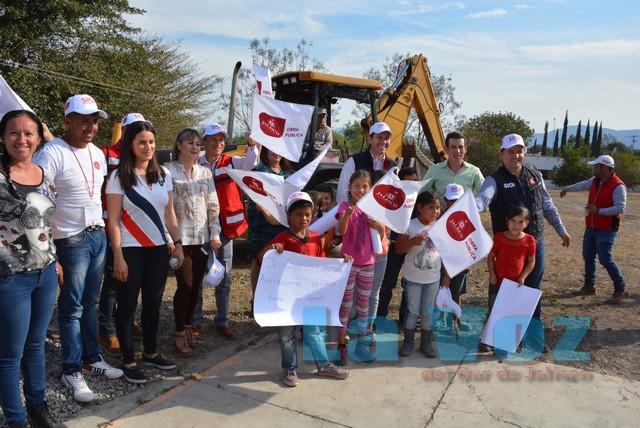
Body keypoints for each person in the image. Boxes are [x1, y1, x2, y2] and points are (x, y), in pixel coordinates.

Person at [33, 94, 123, 403]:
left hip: (96, 236)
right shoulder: (51, 153)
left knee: (89, 302)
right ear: (67, 121)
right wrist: (48, 251)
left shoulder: (97, 153)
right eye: (84, 120)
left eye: (95, 120)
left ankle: (91, 358)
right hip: (69, 240)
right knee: (71, 308)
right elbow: (38, 202)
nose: (91, 126)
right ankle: (71, 370)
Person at [475, 133, 570, 353]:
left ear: (524, 153)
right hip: (507, 248)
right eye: (511, 151)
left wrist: (561, 230)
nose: (516, 155)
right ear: (502, 154)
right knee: (504, 292)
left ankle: (531, 339)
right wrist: (469, 206)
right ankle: (492, 338)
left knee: (531, 292)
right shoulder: (494, 179)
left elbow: (547, 205)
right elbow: (483, 199)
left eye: (519, 151)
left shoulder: (535, 175)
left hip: (534, 244)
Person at [106, 120, 184, 384]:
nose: (148, 147)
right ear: (130, 144)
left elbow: (169, 214)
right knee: (127, 306)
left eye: (151, 142)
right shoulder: (118, 177)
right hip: (130, 250)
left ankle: (150, 352)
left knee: (152, 304)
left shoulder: (164, 174)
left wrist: (178, 242)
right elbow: (113, 220)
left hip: (159, 250)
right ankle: (129, 360)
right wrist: (117, 256)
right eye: (141, 142)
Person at [0, 110, 59, 427]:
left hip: (45, 274)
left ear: (38, 138)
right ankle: (16, 417)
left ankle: (37, 406)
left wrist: (56, 259)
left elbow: (48, 223)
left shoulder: (45, 174)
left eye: (28, 133)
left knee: (36, 345)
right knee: (10, 353)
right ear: (3, 137)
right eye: (13, 132)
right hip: (10, 278)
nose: (21, 139)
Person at [257, 192, 351, 387]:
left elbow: (320, 264)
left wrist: (340, 261)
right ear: (289, 215)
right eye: (299, 214)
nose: (304, 219)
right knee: (286, 334)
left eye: (308, 214)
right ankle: (289, 368)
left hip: (310, 297)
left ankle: (324, 365)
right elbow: (261, 259)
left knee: (315, 331)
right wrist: (270, 251)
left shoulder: (315, 238)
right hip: (286, 299)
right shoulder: (282, 239)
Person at [195, 123, 260, 339]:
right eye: (213, 139)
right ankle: (195, 321)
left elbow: (250, 163)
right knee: (197, 275)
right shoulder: (195, 163)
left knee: (224, 275)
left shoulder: (231, 162)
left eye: (221, 139)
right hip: (200, 226)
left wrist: (252, 143)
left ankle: (221, 321)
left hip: (225, 229)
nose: (218, 143)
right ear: (204, 142)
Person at [166, 128, 220, 357]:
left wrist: (215, 234)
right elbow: (164, 209)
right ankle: (178, 331)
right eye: (190, 142)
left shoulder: (205, 173)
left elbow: (213, 206)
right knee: (185, 284)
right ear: (178, 145)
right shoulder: (166, 172)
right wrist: (170, 240)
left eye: (198, 143)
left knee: (196, 285)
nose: (195, 147)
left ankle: (188, 325)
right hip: (180, 239)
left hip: (202, 239)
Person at [98, 112, 147, 356]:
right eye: (132, 131)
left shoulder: (141, 157)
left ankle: (124, 320)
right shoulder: (106, 153)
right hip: (111, 225)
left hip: (135, 231)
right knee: (112, 279)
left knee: (131, 279)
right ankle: (106, 330)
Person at [560, 155, 629, 304]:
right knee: (588, 256)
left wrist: (599, 211)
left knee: (605, 259)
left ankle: (621, 288)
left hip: (607, 229)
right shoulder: (595, 181)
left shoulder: (618, 186)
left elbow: (620, 207)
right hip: (591, 227)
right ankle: (589, 286)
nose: (594, 168)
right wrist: (567, 189)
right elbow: (582, 185)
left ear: (604, 168)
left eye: (596, 166)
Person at [336, 170, 384, 365]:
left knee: (363, 305)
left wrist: (379, 227)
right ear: (349, 187)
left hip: (368, 264)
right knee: (346, 305)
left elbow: (380, 238)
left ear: (370, 188)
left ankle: (362, 345)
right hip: (348, 264)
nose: (361, 190)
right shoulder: (344, 206)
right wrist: (346, 216)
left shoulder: (373, 209)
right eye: (357, 186)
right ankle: (341, 345)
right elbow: (341, 231)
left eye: (365, 186)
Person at [395, 190, 442, 358]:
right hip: (412, 278)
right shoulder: (410, 225)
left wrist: (450, 274)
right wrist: (412, 241)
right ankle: (408, 342)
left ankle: (426, 343)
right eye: (431, 208)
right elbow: (398, 249)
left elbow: (448, 252)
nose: (435, 212)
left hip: (433, 279)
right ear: (419, 207)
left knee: (428, 312)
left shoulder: (440, 226)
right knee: (412, 311)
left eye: (437, 208)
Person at [247, 146, 294, 305]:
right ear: (267, 150)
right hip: (259, 223)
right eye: (273, 148)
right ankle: (256, 300)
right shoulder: (260, 168)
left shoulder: (289, 174)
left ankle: (275, 300)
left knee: (279, 263)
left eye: (280, 149)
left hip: (282, 225)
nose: (277, 151)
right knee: (258, 262)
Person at [377, 167, 418, 323]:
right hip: (392, 248)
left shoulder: (419, 201)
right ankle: (380, 316)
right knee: (387, 284)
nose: (412, 185)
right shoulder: (391, 200)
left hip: (412, 247)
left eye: (415, 181)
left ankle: (405, 319)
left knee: (410, 284)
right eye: (408, 181)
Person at [336, 122, 397, 204]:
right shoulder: (354, 161)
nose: (383, 141)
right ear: (369, 139)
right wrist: (349, 212)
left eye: (387, 138)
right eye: (379, 137)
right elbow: (342, 192)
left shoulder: (393, 165)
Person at [440, 183, 471, 331]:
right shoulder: (440, 218)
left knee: (456, 293)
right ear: (445, 199)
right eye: (451, 200)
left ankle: (456, 321)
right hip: (443, 263)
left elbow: (471, 242)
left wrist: (468, 262)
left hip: (460, 263)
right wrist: (447, 273)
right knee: (442, 292)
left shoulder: (468, 219)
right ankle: (442, 322)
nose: (455, 203)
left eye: (458, 200)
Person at [422, 131, 484, 206]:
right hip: (440, 217)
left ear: (465, 149)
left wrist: (474, 207)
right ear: (446, 149)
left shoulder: (474, 171)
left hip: (464, 216)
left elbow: (484, 195)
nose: (457, 151)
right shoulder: (434, 170)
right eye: (453, 147)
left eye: (460, 147)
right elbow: (421, 194)